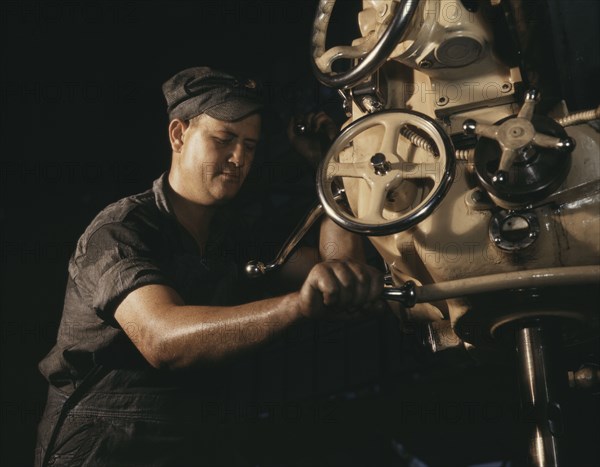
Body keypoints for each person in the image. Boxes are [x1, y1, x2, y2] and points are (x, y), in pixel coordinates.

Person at [34, 66, 385, 467]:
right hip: (105, 448)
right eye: (225, 139)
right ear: (179, 134)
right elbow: (162, 339)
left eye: (251, 146)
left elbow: (337, 269)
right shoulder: (120, 231)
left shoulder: (233, 235)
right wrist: (296, 307)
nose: (239, 158)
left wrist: (332, 170)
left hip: (196, 441)